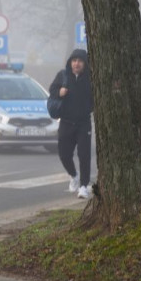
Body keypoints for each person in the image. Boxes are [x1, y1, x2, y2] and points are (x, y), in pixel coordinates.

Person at [49, 48, 94, 200]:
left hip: (83, 123)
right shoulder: (63, 75)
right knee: (64, 154)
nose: (76, 64)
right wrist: (59, 92)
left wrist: (88, 108)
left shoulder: (90, 78)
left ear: (85, 63)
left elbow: (95, 98)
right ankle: (74, 175)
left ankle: (83, 186)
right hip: (66, 122)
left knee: (84, 155)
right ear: (70, 62)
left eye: (80, 61)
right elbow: (52, 90)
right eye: (74, 61)